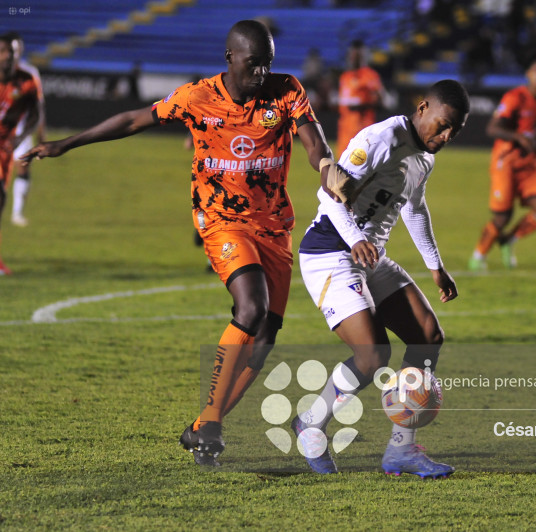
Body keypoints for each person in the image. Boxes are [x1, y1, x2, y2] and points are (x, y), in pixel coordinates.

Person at [22, 20, 335, 464]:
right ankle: (209, 425)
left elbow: (314, 143)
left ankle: (203, 425)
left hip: (274, 227)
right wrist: (68, 144)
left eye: (267, 64)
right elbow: (135, 118)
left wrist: (327, 167)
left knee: (263, 342)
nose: (261, 74)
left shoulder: (286, 91)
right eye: (252, 64)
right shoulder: (197, 97)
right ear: (230, 59)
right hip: (221, 220)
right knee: (251, 309)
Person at [294, 79, 469, 477]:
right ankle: (311, 422)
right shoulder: (381, 138)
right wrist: (355, 239)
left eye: (453, 132)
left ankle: (400, 451)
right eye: (441, 125)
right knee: (373, 356)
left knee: (427, 335)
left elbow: (415, 209)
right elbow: (330, 194)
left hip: (369, 255)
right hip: (331, 251)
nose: (444, 136)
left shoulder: (425, 158)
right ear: (422, 107)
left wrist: (435, 266)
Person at [468, 50, 536, 271]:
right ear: (528, 74)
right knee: (502, 217)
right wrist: (519, 138)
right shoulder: (515, 98)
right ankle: (478, 255)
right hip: (507, 162)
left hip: (531, 164)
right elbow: (492, 128)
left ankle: (508, 240)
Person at [0, 33, 39, 275]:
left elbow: (35, 114)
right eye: (3, 51)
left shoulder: (26, 81)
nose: (7, 57)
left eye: (11, 52)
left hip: (3, 148)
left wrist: (20, 138)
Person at [6, 33, 46, 228]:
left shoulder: (29, 74)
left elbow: (38, 107)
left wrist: (40, 133)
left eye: (16, 49)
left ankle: (17, 213)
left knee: (23, 168)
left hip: (19, 132)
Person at [337, 39, 385, 157]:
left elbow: (380, 101)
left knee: (361, 165)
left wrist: (361, 106)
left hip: (362, 127)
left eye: (357, 54)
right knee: (342, 164)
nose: (354, 57)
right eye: (352, 54)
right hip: (345, 127)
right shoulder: (345, 76)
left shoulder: (370, 75)